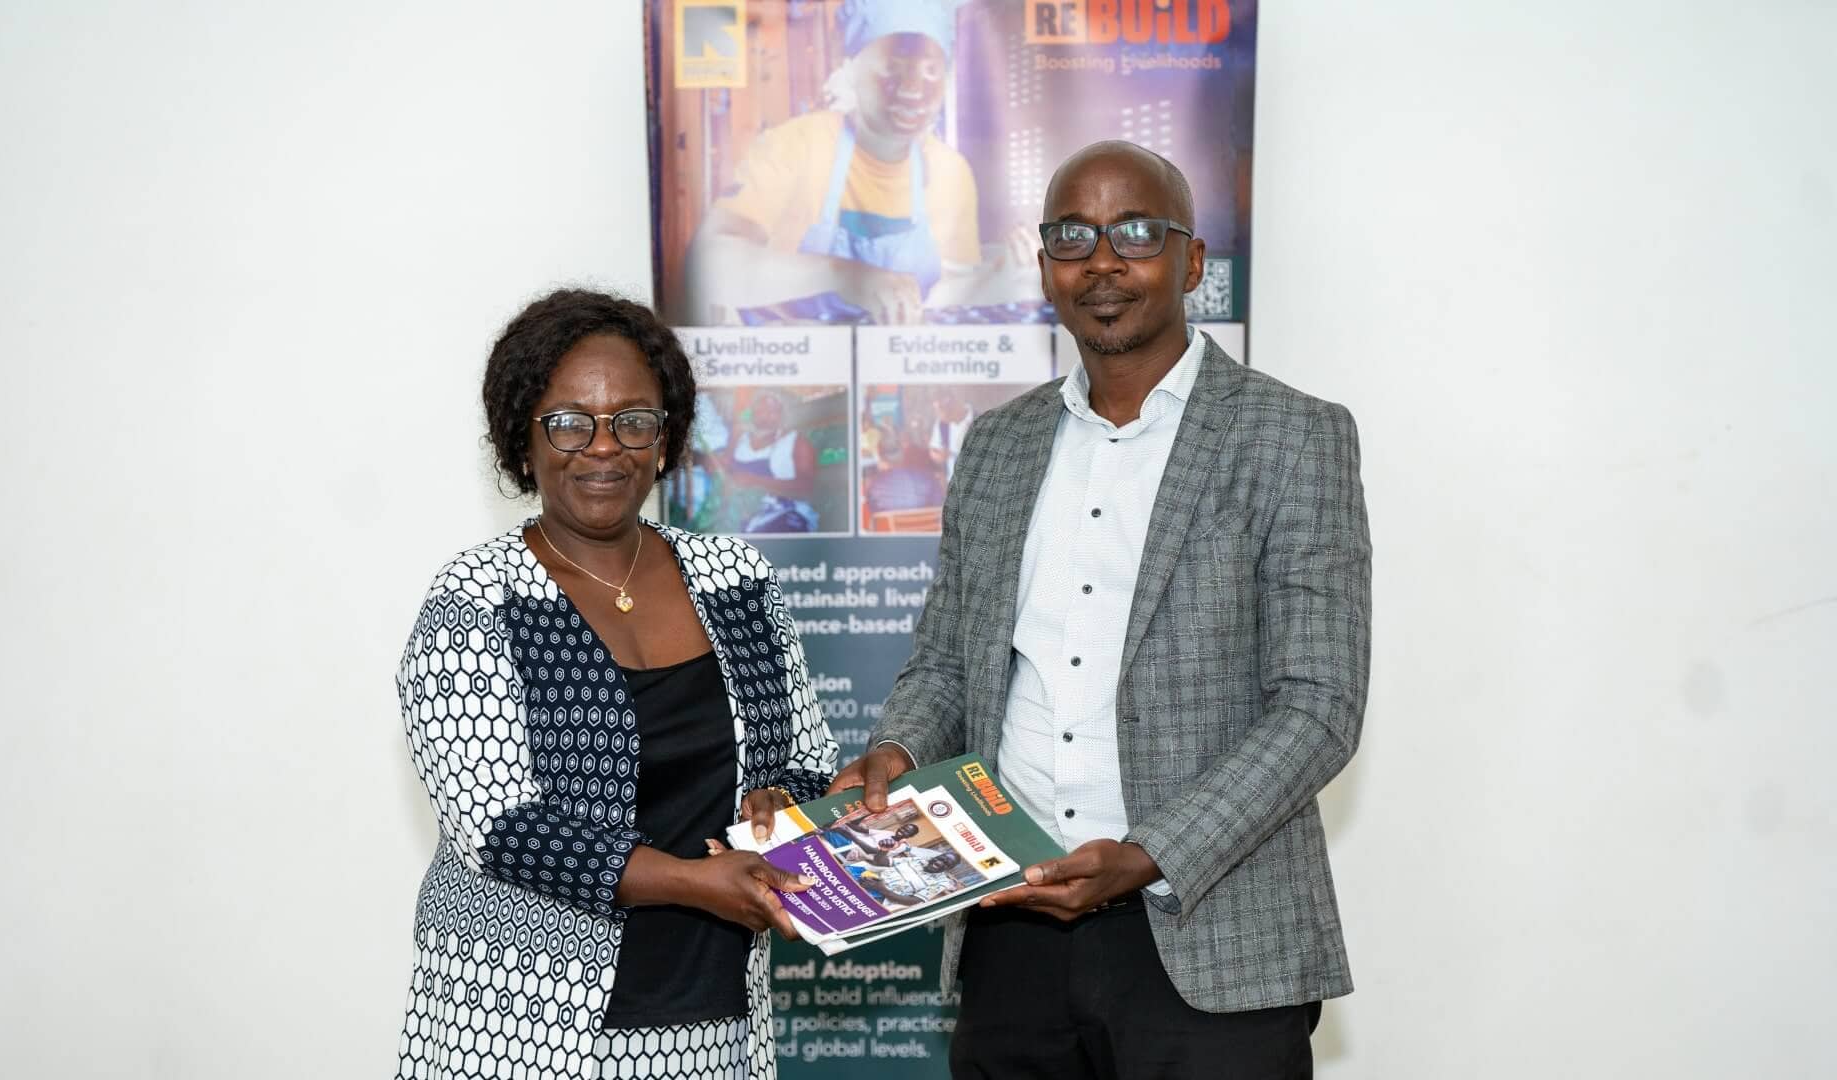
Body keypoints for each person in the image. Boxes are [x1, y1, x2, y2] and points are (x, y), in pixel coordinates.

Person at [830, 142, 1372, 1079]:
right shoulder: (998, 446)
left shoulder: (1294, 436)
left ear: (1193, 261)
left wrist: (1146, 854)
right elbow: (946, 664)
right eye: (1074, 237)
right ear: (1045, 268)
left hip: (1208, 937)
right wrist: (899, 752)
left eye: (1136, 234)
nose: (1103, 262)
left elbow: (1317, 706)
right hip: (1009, 933)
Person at [394, 289, 839, 1080]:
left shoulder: (737, 578)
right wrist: (694, 884)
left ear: (664, 442)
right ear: (521, 441)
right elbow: (500, 826)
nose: (604, 446)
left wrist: (781, 799)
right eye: (570, 422)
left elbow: (805, 756)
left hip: (712, 1021)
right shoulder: (474, 601)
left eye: (633, 420)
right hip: (522, 1025)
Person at [683, 0, 1037, 325]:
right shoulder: (796, 146)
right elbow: (711, 266)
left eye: (931, 70)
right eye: (893, 67)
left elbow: (943, 298)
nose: (913, 88)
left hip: (904, 376)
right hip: (788, 380)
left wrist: (999, 282)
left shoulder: (948, 171)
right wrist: (844, 276)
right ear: (853, 66)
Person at [710, 390, 820, 534]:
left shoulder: (796, 442)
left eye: (772, 410)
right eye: (760, 409)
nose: (765, 415)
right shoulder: (741, 439)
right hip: (739, 513)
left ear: (784, 414)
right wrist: (733, 440)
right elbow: (724, 469)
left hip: (785, 513)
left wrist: (755, 481)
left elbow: (807, 487)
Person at [925, 392, 974, 481]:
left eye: (941, 409)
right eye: (936, 410)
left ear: (955, 405)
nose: (939, 414)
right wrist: (938, 456)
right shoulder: (941, 423)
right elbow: (933, 450)